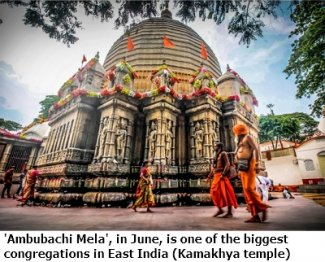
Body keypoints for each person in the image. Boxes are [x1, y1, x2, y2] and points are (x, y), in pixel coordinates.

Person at [233, 123, 270, 223]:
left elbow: (256, 149)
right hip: (242, 166)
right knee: (246, 191)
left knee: (250, 188)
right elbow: (238, 152)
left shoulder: (248, 137)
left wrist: (257, 164)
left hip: (249, 164)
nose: (236, 134)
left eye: (236, 131)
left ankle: (263, 207)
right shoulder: (240, 141)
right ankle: (255, 215)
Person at [207, 142, 238, 217]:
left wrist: (223, 174)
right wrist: (209, 176)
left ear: (219, 147)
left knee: (226, 193)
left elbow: (227, 164)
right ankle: (220, 210)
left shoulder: (223, 153)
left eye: (215, 146)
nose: (214, 148)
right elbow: (214, 168)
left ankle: (229, 212)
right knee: (214, 192)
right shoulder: (216, 156)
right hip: (216, 176)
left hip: (222, 176)